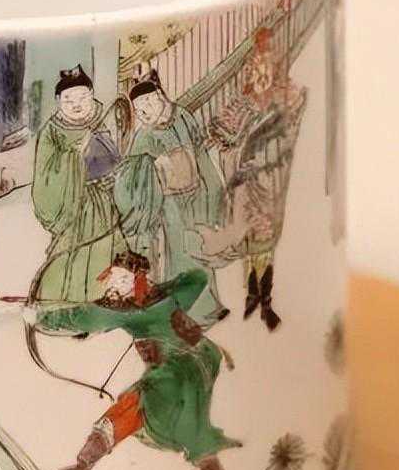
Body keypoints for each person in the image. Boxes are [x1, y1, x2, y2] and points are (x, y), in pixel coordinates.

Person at [28, 251, 240, 470]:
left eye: (122, 279)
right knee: (189, 416)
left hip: (176, 369)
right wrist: (162, 288)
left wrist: (38, 318)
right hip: (206, 357)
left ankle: (83, 465)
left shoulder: (129, 312)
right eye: (112, 278)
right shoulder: (161, 297)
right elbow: (198, 278)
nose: (112, 284)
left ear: (138, 280)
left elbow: (86, 318)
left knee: (138, 402)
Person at [200, 27, 308, 330]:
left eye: (266, 65)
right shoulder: (244, 103)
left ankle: (265, 298)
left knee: (267, 233)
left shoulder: (285, 98)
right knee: (250, 232)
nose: (261, 73)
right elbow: (223, 131)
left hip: (270, 178)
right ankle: (252, 293)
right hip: (245, 182)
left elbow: (288, 128)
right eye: (256, 67)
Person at [114, 67, 228, 325]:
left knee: (201, 248)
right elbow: (130, 171)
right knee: (179, 254)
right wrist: (151, 166)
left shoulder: (183, 117)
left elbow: (201, 156)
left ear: (159, 96)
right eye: (138, 109)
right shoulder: (144, 135)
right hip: (170, 203)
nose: (143, 111)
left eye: (147, 103)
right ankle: (186, 311)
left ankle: (208, 304)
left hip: (196, 194)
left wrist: (213, 190)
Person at [31, 66, 129, 302]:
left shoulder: (100, 121)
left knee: (111, 254)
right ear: (58, 101)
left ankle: (113, 300)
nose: (76, 104)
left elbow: (114, 158)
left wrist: (114, 178)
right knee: (71, 260)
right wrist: (74, 156)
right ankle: (69, 304)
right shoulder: (51, 132)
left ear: (92, 95)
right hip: (74, 208)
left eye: (83, 97)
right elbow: (45, 174)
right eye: (68, 99)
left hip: (104, 204)